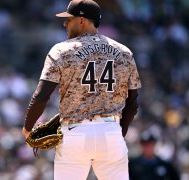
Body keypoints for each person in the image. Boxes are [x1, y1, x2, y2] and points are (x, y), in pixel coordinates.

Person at [22, 0, 142, 179]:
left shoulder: (62, 50)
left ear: (81, 21)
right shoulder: (124, 52)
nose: (65, 23)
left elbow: (41, 96)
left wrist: (28, 128)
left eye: (68, 19)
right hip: (111, 131)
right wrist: (118, 133)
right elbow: (132, 104)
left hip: (74, 134)